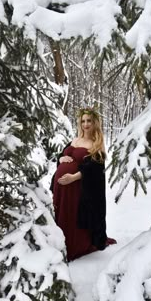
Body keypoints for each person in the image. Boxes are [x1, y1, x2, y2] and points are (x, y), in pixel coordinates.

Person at [51, 107, 116, 261]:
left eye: (89, 121)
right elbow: (62, 154)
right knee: (60, 213)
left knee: (71, 216)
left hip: (76, 188)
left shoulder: (96, 144)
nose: (86, 124)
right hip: (61, 188)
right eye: (83, 121)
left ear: (94, 123)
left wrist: (73, 177)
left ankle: (73, 246)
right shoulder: (75, 140)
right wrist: (60, 159)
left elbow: (94, 169)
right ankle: (56, 244)